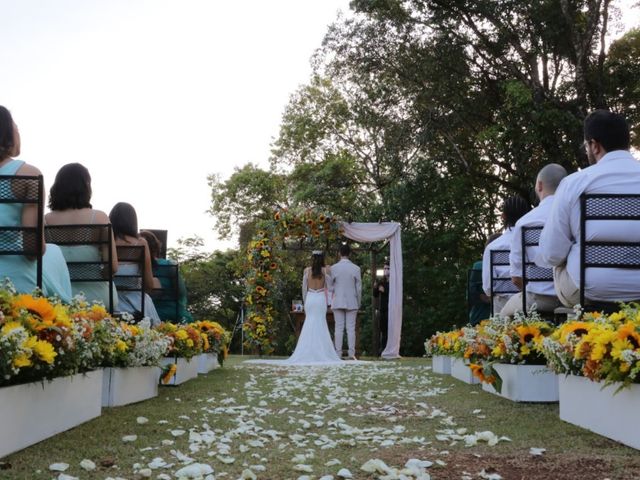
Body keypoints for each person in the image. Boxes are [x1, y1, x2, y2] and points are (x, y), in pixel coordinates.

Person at [539, 110, 640, 306]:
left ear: (594, 145)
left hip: (589, 292)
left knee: (557, 258)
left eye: (586, 145)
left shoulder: (574, 183)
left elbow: (551, 254)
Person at [0, 106, 72, 302]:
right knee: (53, 252)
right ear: (7, 132)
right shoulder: (28, 175)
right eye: (16, 127)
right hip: (13, 282)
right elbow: (32, 250)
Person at [45, 163, 120, 309]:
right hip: (97, 299)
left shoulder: (45, 221)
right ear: (86, 187)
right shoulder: (100, 218)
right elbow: (112, 267)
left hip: (57, 298)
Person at [500, 164, 568, 317]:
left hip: (539, 298)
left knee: (501, 316)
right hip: (574, 297)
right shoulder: (575, 214)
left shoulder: (525, 222)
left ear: (539, 185)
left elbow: (516, 278)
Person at [109, 202, 161, 324]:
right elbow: (149, 285)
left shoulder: (105, 243)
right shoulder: (141, 243)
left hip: (109, 305)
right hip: (137, 307)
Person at [481, 196, 531, 314]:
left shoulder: (492, 247)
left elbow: (488, 288)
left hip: (502, 305)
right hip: (532, 301)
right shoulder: (535, 241)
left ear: (503, 216)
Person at [140, 230, 193, 323]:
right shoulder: (169, 265)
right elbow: (181, 293)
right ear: (156, 248)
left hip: (145, 316)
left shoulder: (136, 268)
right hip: (174, 315)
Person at [330, 243, 362, 360]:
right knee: (351, 329)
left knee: (338, 328)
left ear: (339, 253)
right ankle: (351, 354)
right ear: (349, 254)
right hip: (351, 300)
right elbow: (359, 288)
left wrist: (335, 293)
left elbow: (330, 287)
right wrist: (358, 302)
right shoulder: (356, 268)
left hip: (337, 300)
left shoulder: (334, 268)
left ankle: (337, 353)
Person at [467, 233, 501, 325]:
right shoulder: (515, 267)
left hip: (479, 318)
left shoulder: (478, 266)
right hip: (505, 315)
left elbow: (471, 296)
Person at [373, 263, 389, 354]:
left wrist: (385, 291)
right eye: (384, 268)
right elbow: (375, 294)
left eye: (388, 268)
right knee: (383, 330)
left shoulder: (394, 282)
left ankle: (389, 349)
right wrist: (375, 287)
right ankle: (382, 349)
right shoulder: (381, 282)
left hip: (390, 309)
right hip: (382, 309)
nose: (386, 270)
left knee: (389, 330)